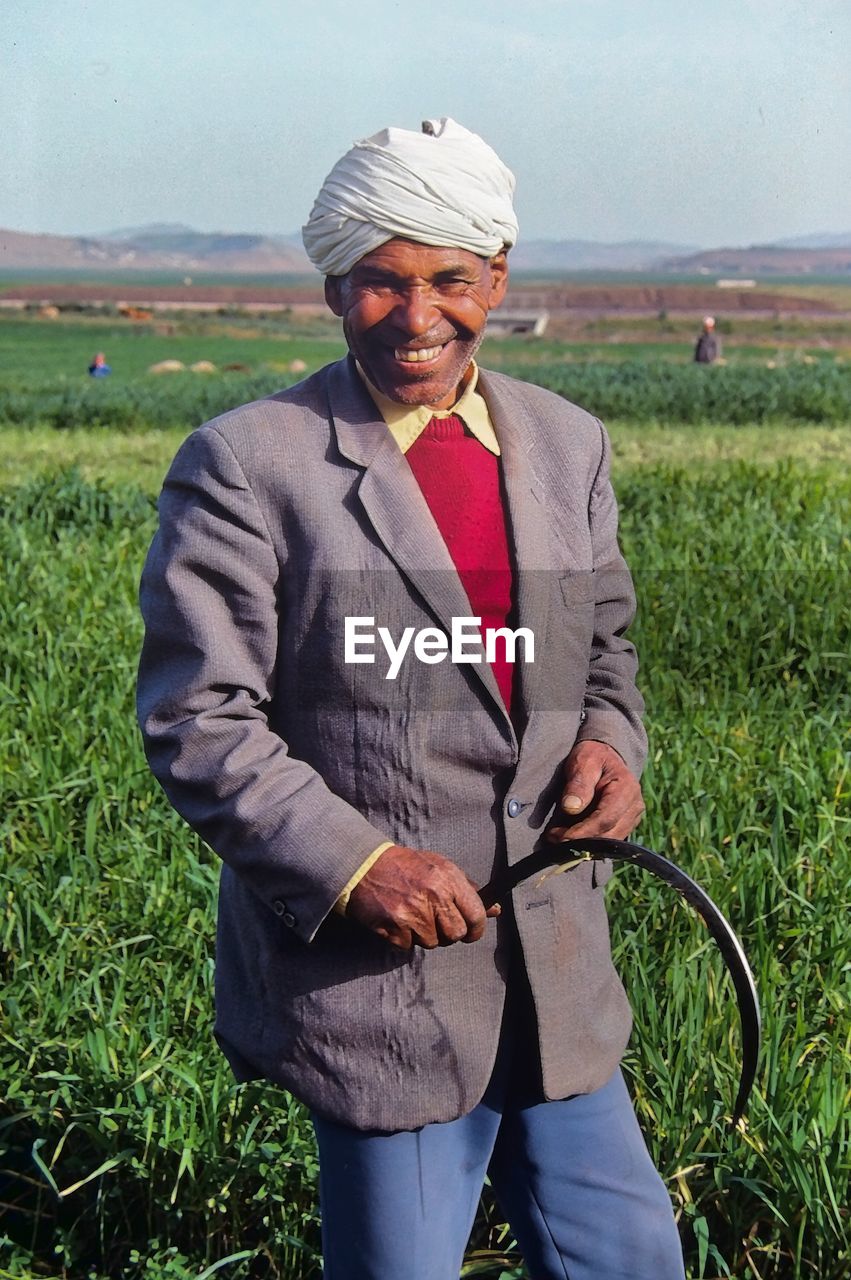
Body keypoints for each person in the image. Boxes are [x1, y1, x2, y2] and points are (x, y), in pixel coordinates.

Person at [137, 118, 685, 1279]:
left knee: (631, 1255)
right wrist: (355, 864)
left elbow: (606, 650)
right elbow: (200, 717)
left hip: (556, 972)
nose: (417, 312)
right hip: (381, 992)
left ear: (495, 278)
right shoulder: (251, 463)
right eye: (381, 280)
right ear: (335, 283)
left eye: (447, 277)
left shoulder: (562, 443)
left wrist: (608, 743)